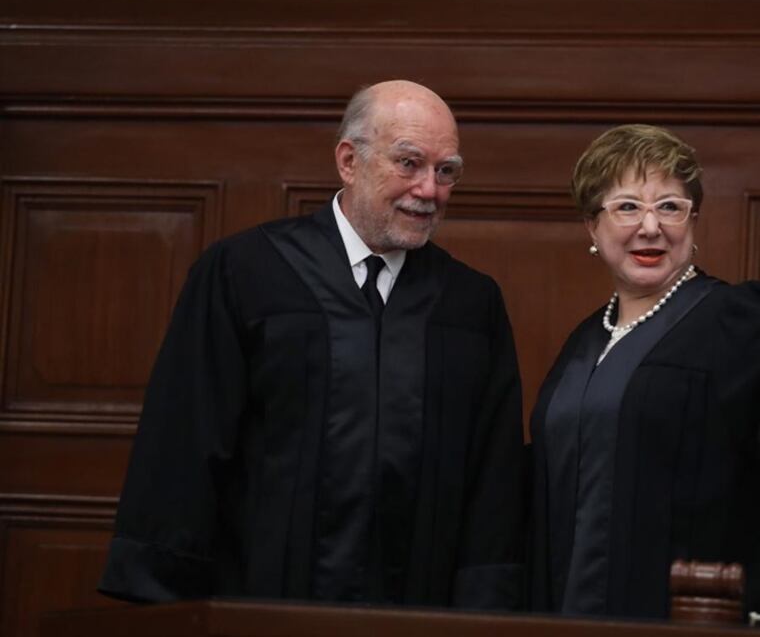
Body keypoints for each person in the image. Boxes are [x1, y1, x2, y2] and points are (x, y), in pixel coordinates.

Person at [99, 80, 525, 609]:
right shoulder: (245, 272)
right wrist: (164, 598)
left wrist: (484, 609)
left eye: (446, 171)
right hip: (261, 601)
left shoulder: (469, 303)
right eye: (409, 163)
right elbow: (185, 441)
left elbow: (493, 478)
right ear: (349, 161)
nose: (429, 190)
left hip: (418, 609)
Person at [527, 124, 760, 619]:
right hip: (569, 605)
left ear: (693, 221)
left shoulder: (739, 319)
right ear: (593, 227)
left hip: (687, 613)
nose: (651, 226)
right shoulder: (585, 341)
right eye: (628, 206)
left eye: (671, 206)